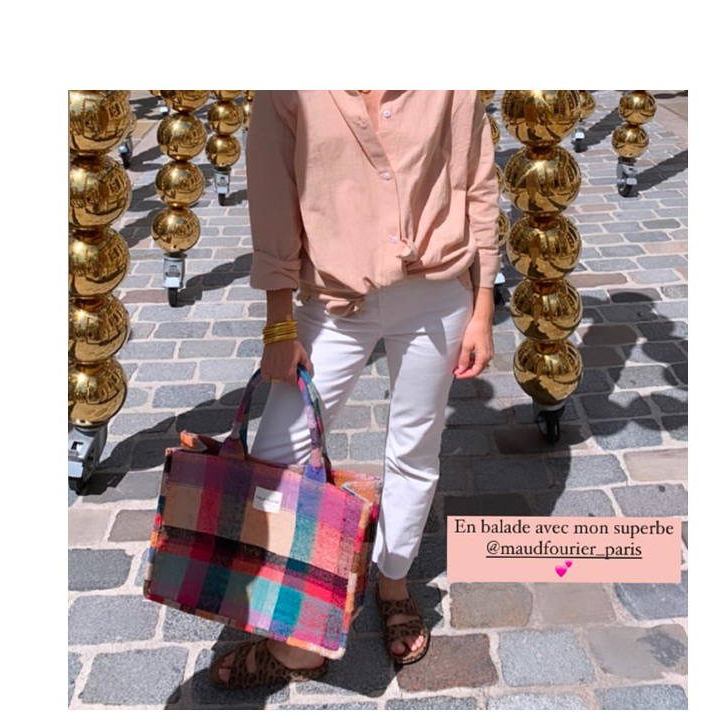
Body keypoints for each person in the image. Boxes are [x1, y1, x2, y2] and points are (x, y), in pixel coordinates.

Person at [211, 90, 500, 689]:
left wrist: (482, 308)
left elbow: (477, 184)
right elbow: (273, 202)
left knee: (415, 450)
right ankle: (293, 614)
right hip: (333, 302)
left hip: (436, 294)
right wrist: (279, 324)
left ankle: (393, 581)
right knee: (278, 454)